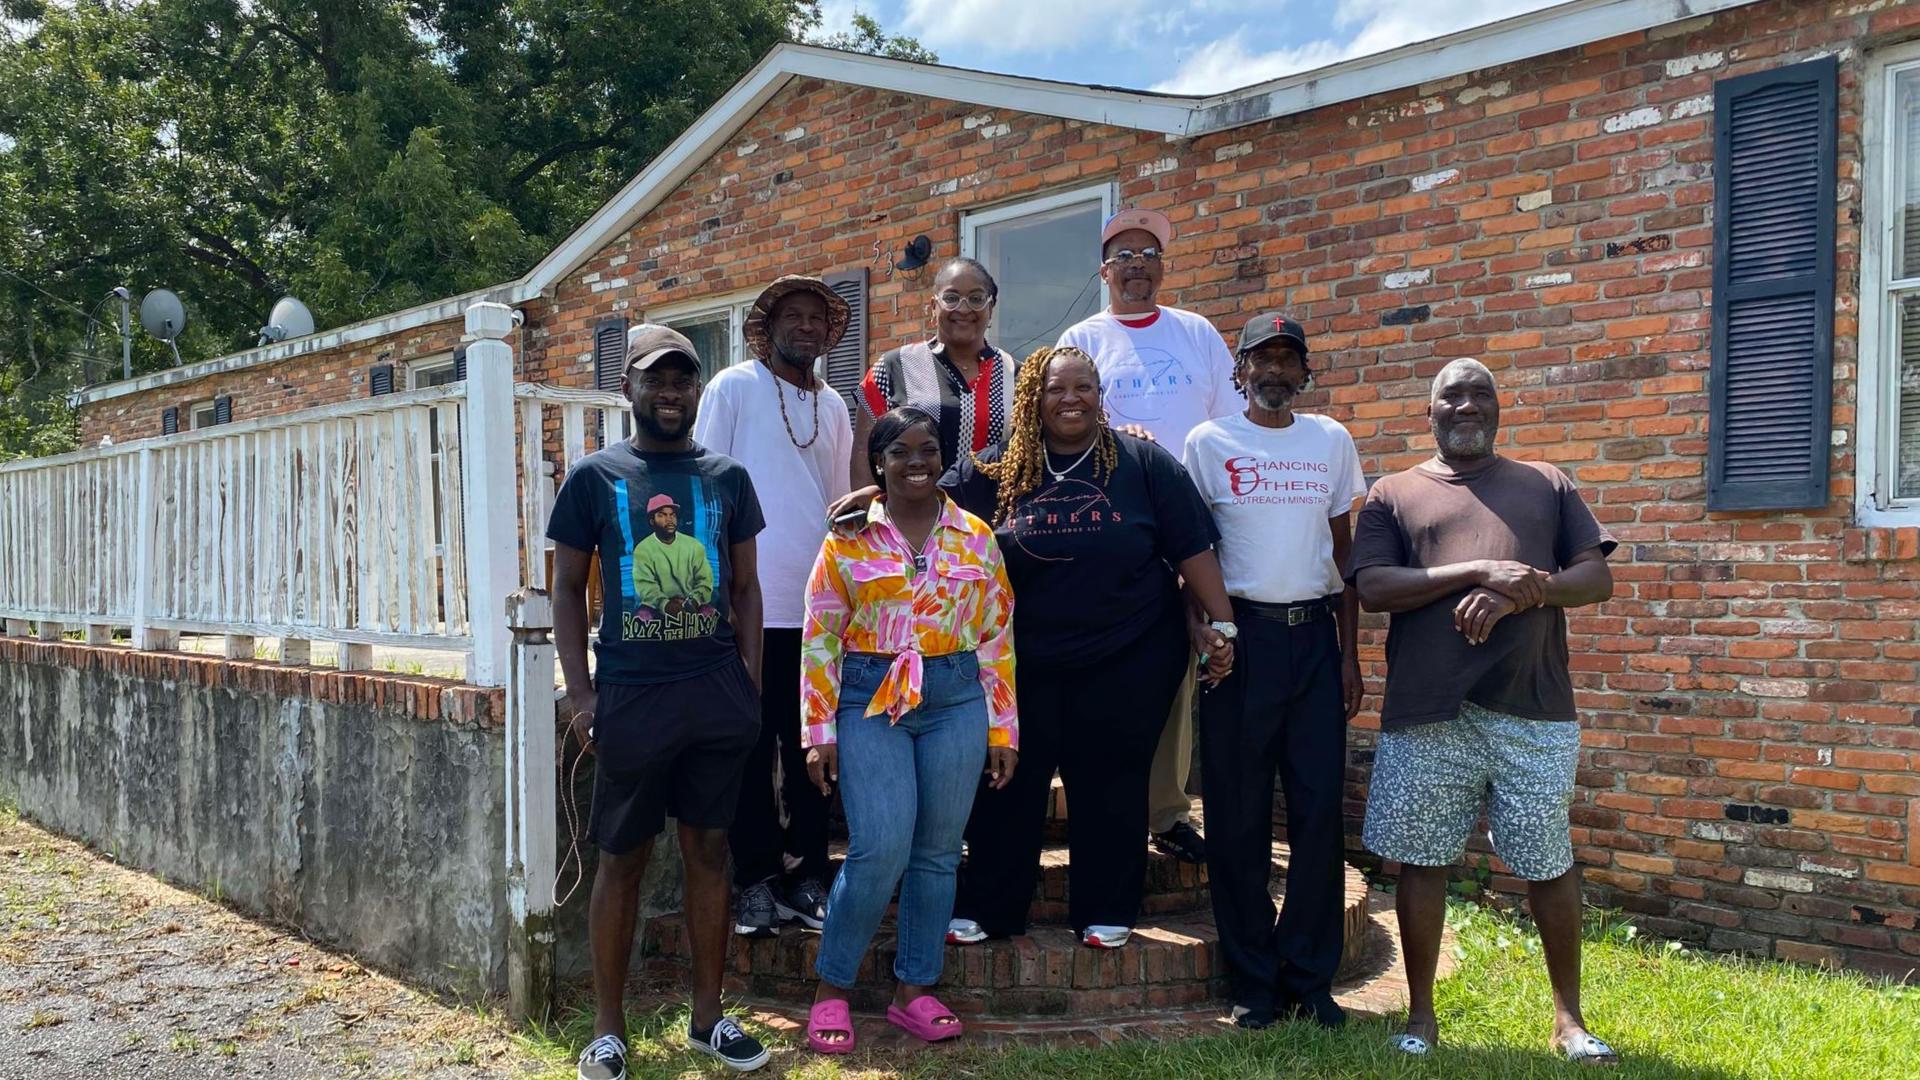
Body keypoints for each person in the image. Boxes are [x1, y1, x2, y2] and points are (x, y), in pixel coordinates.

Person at [1349, 358, 1618, 1064]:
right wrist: (1476, 571)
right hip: (1428, 708)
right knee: (1421, 859)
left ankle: (1568, 1020)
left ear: (1499, 407)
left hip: (1534, 706)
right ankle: (1420, 1017)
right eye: (1451, 396)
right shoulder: (1392, 493)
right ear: (1430, 411)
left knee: (1547, 860)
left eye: (1480, 394)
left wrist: (1522, 590)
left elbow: (1596, 578)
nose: (1467, 405)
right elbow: (1374, 587)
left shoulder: (1546, 483)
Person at [945, 345, 1238, 949]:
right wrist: (874, 502)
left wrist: (1223, 626)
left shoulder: (1143, 463)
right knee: (1006, 782)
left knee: (1112, 781)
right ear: (1034, 398)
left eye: (1084, 387)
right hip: (1020, 661)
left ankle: (1107, 909)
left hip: (1128, 656)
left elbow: (1193, 549)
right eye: (1057, 389)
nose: (1071, 399)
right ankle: (991, 905)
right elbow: (932, 511)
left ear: (1100, 396)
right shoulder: (996, 470)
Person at [548, 324, 771, 1078]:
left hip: (713, 693)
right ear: (629, 390)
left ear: (696, 390)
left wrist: (749, 682)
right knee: (622, 856)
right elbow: (567, 589)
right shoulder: (596, 478)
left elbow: (745, 587)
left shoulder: (726, 478)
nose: (670, 392)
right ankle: (610, 1031)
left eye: (683, 379)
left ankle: (708, 1019)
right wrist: (582, 694)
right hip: (633, 694)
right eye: (656, 379)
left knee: (709, 850)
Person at [797, 406, 1019, 1054]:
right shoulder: (847, 539)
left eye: (928, 450)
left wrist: (1003, 728)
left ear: (943, 458)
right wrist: (818, 729)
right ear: (879, 462)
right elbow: (819, 638)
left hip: (955, 696)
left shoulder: (976, 536)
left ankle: (913, 991)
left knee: (938, 852)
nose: (916, 462)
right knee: (881, 844)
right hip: (871, 696)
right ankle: (831, 988)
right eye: (900, 452)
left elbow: (997, 635)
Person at [1183, 313, 1367, 1030]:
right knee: (1237, 815)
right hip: (1242, 644)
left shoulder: (1331, 440)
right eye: (1263, 359)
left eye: (1289, 360)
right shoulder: (1209, 443)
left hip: (1315, 643)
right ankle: (1255, 980)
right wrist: (1202, 631)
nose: (1276, 371)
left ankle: (1310, 977)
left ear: (1305, 373)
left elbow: (1344, 560)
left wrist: (1351, 656)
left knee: (1320, 812)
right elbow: (1188, 553)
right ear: (1239, 371)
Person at [1057, 207, 1242, 865]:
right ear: (1104, 270)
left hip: (1185, 517)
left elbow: (1229, 424)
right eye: (1124, 255)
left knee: (1176, 669)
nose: (1137, 266)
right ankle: (1098, 800)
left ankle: (1164, 810)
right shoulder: (1082, 336)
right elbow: (1062, 414)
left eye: (1149, 254)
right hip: (1111, 522)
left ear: (1163, 267)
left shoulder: (1195, 333)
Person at [693, 274, 853, 939]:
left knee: (817, 744)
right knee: (750, 748)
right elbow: (704, 486)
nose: (807, 326)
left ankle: (810, 876)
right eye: (794, 315)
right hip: (750, 608)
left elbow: (844, 506)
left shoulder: (836, 405)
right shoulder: (733, 388)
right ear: (767, 326)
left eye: (818, 318)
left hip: (819, 611)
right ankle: (757, 880)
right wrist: (717, 596)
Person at [853, 257, 1017, 488]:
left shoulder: (1016, 375)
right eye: (951, 298)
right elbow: (864, 453)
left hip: (992, 519)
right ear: (933, 306)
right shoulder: (894, 367)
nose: (963, 308)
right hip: (911, 520)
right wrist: (873, 516)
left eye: (976, 299)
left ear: (990, 307)